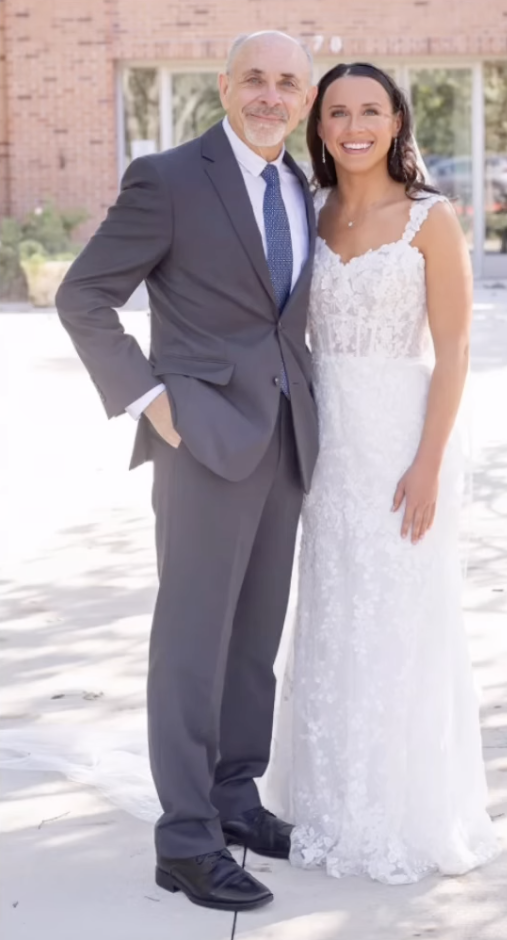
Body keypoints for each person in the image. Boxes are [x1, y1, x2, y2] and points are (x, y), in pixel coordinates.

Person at [55, 31, 318, 912]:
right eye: (255, 79)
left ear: (304, 95)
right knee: (192, 643)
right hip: (201, 438)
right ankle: (186, 838)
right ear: (224, 85)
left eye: (287, 82)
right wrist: (150, 402)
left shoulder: (299, 184)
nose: (270, 95)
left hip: (286, 438)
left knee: (253, 641)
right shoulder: (167, 178)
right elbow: (83, 295)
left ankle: (237, 800)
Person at [264, 63, 501, 884]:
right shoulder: (305, 209)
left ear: (397, 120)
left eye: (371, 109)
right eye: (338, 112)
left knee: (402, 618)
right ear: (319, 127)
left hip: (402, 441)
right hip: (323, 445)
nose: (354, 124)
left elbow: (456, 348)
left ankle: (405, 807)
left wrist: (430, 461)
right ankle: (328, 801)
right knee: (333, 612)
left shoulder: (431, 219)